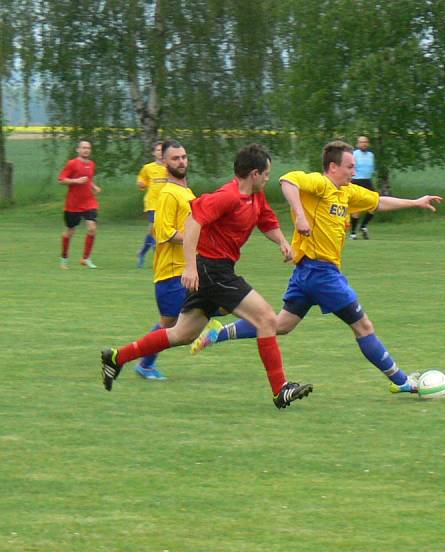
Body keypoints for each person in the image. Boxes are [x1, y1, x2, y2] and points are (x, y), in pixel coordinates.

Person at [190, 140, 442, 395]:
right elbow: (288, 181)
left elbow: (377, 203)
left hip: (308, 274)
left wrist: (415, 202)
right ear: (333, 167)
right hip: (322, 274)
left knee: (280, 325)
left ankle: (219, 333)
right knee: (363, 326)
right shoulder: (320, 184)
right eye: (349, 166)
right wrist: (299, 214)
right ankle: (401, 381)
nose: (354, 172)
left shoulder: (348, 193)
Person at [101, 143, 313, 409]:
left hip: (217, 270)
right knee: (267, 318)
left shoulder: (255, 197)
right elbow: (193, 222)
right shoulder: (228, 196)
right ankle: (280, 388)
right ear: (255, 174)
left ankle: (117, 357)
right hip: (213, 270)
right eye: (267, 173)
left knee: (181, 334)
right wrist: (190, 267)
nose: (269, 178)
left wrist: (282, 241)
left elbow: (266, 221)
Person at [133, 140, 196, 381]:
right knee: (173, 326)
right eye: (175, 158)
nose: (181, 161)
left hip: (185, 270)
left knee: (170, 325)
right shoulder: (168, 194)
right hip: (171, 273)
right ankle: (135, 360)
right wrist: (194, 239)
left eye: (183, 157)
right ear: (165, 163)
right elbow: (165, 233)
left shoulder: (187, 192)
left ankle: (142, 363)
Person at [58, 140, 101, 269]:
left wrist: (94, 186)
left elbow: (88, 180)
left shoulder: (92, 164)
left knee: (92, 228)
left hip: (89, 202)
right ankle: (64, 259)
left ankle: (86, 258)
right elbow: (61, 180)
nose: (86, 150)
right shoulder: (72, 164)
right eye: (83, 148)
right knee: (69, 231)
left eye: (88, 148)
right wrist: (76, 181)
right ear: (78, 149)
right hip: (73, 204)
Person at [135, 140, 169, 268]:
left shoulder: (169, 166)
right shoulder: (148, 168)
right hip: (152, 203)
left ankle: (142, 253)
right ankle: (159, 259)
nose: (160, 153)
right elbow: (141, 180)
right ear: (154, 153)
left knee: (154, 231)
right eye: (158, 150)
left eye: (163, 150)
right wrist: (141, 184)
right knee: (155, 229)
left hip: (167, 203)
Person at [349, 135, 376, 240]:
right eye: (361, 142)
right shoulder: (354, 154)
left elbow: (371, 170)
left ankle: (363, 226)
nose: (363, 144)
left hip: (367, 181)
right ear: (358, 144)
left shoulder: (371, 155)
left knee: (374, 205)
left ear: (368, 143)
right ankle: (353, 233)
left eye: (365, 142)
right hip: (356, 181)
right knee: (357, 209)